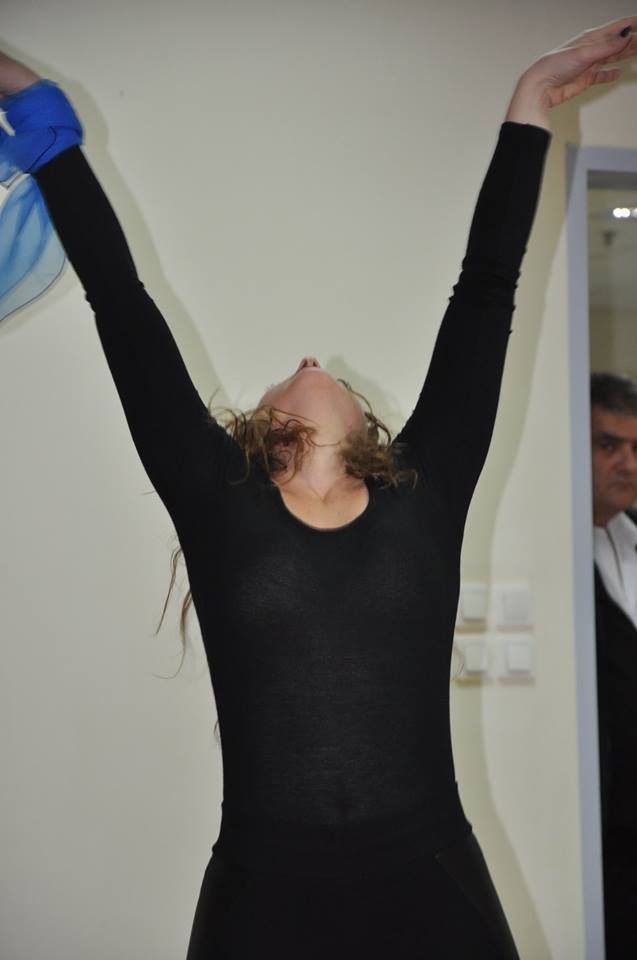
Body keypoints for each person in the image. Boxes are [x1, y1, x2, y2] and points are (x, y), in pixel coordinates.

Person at [0, 17, 634, 959]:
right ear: (261, 431)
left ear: (370, 436)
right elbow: (119, 296)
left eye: (316, 364)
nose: (307, 356)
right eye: (292, 368)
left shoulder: (426, 489)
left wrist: (529, 99)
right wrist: (28, 103)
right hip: (260, 892)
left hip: (432, 878)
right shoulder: (216, 502)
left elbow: (486, 287)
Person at [591, 371, 637, 958]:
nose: (627, 463)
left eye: (635, 448)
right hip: (605, 823)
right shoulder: (555, 552)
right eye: (609, 445)